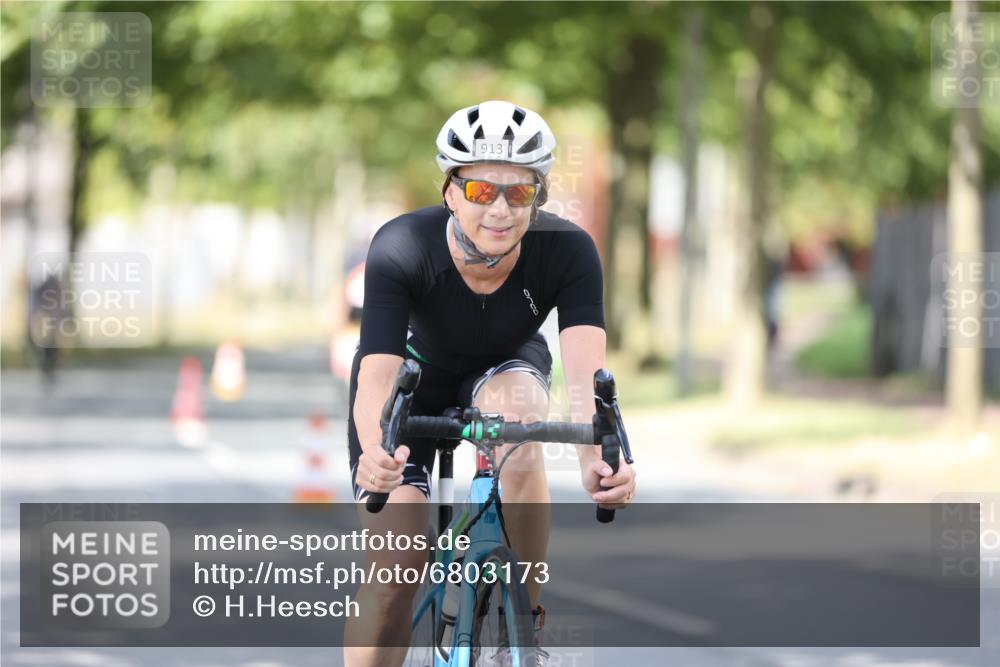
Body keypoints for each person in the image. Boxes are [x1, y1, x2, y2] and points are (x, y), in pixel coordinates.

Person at [344, 100, 637, 667]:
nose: (500, 210)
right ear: (451, 192)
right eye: (482, 192)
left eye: (519, 192)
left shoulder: (569, 250)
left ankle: (522, 635)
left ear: (539, 196)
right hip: (412, 384)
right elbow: (375, 373)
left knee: (523, 436)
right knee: (395, 575)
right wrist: (377, 452)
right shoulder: (401, 245)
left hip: (502, 368)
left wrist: (596, 461)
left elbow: (586, 379)